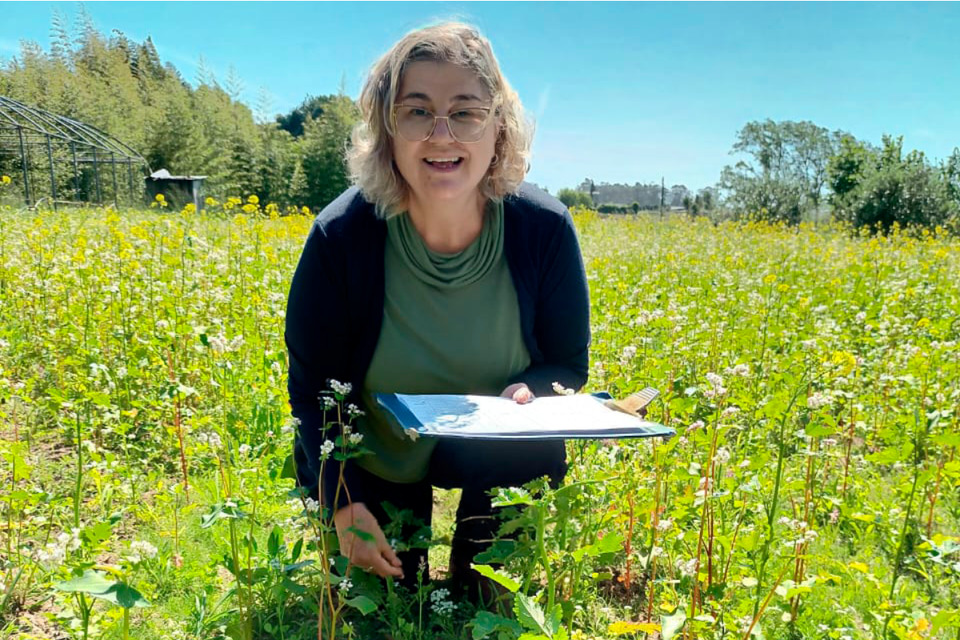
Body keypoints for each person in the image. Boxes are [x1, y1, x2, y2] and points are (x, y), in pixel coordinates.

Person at [284, 22, 590, 597]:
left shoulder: (544, 229)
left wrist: (533, 390)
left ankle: (481, 573)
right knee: (384, 608)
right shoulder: (340, 238)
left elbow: (568, 367)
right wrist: (341, 502)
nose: (441, 135)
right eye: (417, 111)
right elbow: (313, 391)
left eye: (467, 112)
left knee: (486, 604)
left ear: (499, 127)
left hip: (502, 457)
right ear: (387, 127)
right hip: (373, 455)